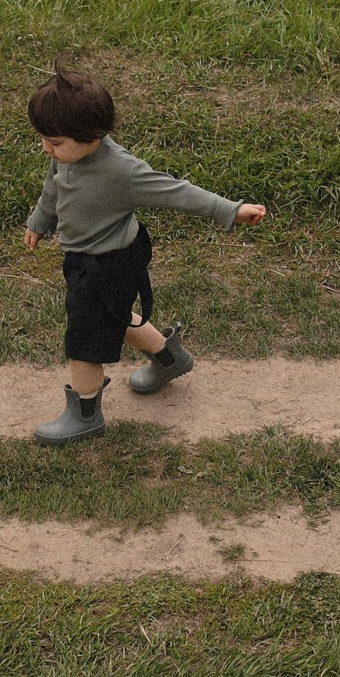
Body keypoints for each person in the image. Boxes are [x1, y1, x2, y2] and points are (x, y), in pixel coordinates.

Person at [22, 66, 268, 444]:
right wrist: (40, 222)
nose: (46, 149)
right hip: (86, 257)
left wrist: (229, 210)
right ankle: (170, 358)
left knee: (85, 335)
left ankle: (85, 414)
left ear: (94, 136)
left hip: (110, 260)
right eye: (44, 140)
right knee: (110, 317)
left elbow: (177, 192)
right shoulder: (66, 157)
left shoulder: (123, 172)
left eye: (54, 142)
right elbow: (53, 189)